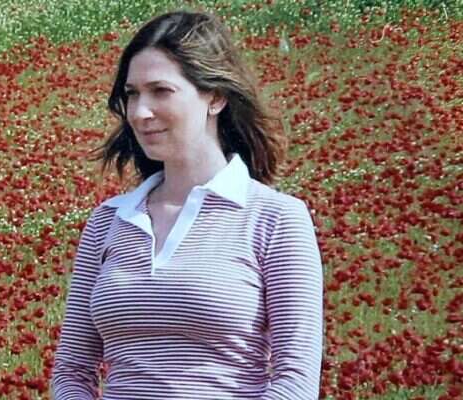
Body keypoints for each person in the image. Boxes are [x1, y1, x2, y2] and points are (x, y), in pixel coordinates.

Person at [51, 10, 323, 400]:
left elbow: (295, 379)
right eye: (132, 94)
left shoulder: (275, 219)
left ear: (216, 97)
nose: (140, 112)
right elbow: (71, 371)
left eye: (160, 91)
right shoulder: (108, 221)